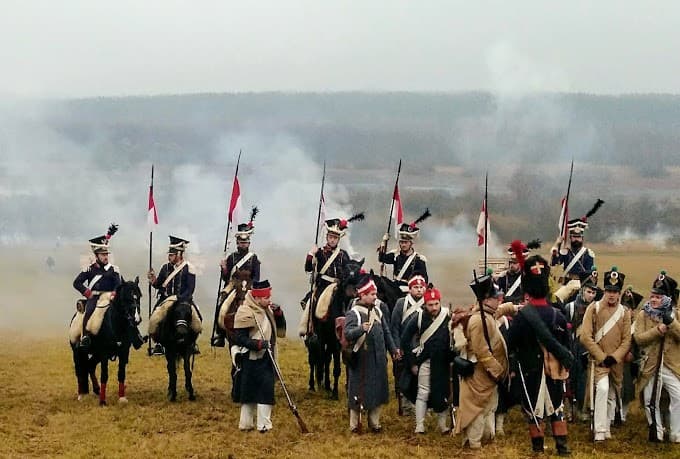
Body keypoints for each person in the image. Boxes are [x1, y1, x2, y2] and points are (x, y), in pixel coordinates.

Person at [506, 253, 574, 456]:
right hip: (554, 368)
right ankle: (562, 448)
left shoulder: (521, 317)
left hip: (529, 369)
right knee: (557, 408)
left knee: (533, 411)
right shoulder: (558, 316)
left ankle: (537, 449)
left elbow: (512, 344)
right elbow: (566, 344)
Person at [454, 275, 508, 449]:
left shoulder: (487, 314)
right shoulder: (478, 320)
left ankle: (484, 439)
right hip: (481, 371)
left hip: (488, 374)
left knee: (488, 407)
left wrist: (513, 307)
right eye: (495, 297)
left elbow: (499, 311)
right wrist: (496, 369)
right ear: (485, 300)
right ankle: (473, 444)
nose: (498, 299)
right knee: (477, 408)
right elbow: (481, 350)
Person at [579, 267, 632, 441]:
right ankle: (599, 431)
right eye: (609, 290)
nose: (612, 295)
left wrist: (615, 357)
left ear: (619, 293)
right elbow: (585, 337)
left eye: (615, 292)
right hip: (598, 361)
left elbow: (626, 340)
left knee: (612, 394)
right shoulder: (593, 309)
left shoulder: (625, 312)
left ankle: (607, 426)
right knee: (601, 389)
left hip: (616, 362)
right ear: (604, 290)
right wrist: (602, 357)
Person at [343, 276, 398, 433]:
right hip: (361, 360)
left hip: (378, 359)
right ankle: (354, 425)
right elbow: (347, 333)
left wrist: (393, 349)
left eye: (375, 294)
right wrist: (361, 329)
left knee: (377, 391)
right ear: (363, 295)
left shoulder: (378, 311)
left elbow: (386, 332)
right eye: (372, 294)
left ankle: (374, 423)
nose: (375, 297)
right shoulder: (354, 313)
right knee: (357, 392)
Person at [633, 271, 680, 443]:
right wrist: (657, 330)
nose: (653, 300)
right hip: (650, 365)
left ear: (667, 298)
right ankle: (657, 431)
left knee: (678, 397)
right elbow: (638, 338)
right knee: (648, 400)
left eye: (658, 297)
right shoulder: (643, 314)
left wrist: (671, 323)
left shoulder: (677, 314)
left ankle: (676, 433)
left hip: (671, 365)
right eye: (652, 296)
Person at [400, 285, 452, 434]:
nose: (434, 307)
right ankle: (420, 425)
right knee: (422, 393)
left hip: (442, 361)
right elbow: (404, 340)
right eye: (430, 305)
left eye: (436, 304)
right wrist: (411, 363)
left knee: (443, 393)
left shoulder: (447, 315)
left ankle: (443, 426)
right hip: (425, 361)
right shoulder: (419, 317)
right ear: (425, 304)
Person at [232, 280, 278, 433]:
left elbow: (277, 330)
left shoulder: (268, 310)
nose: (269, 299)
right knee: (249, 391)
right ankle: (246, 423)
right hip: (250, 359)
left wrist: (278, 314)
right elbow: (239, 338)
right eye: (266, 297)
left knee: (266, 390)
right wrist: (257, 344)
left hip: (266, 358)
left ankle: (264, 425)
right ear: (257, 298)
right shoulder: (245, 311)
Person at [212, 208, 262, 347]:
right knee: (221, 304)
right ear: (237, 243)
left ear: (249, 243)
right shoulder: (231, 257)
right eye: (241, 242)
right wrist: (224, 269)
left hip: (249, 287)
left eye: (245, 243)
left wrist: (252, 289)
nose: (243, 244)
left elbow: (257, 277)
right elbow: (225, 278)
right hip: (233, 285)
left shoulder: (254, 258)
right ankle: (220, 334)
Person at [148, 236, 200, 355]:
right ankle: (158, 343)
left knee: (197, 320)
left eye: (172, 254)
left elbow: (190, 289)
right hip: (165, 300)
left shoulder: (189, 267)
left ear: (179, 254)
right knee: (154, 319)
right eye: (169, 254)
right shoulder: (165, 267)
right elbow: (159, 284)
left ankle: (192, 342)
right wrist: (153, 280)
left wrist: (181, 299)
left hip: (184, 300)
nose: (169, 257)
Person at [73, 224, 123, 349]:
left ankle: (129, 337)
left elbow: (118, 284)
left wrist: (114, 293)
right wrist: (87, 293)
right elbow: (77, 283)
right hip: (94, 298)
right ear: (96, 256)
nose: (105, 256)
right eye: (102, 254)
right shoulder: (89, 269)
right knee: (88, 312)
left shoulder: (113, 270)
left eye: (106, 254)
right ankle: (85, 336)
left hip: (110, 298)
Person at [564, 268, 600, 422]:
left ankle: (582, 409)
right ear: (582, 290)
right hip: (572, 347)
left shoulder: (597, 309)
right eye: (588, 292)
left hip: (586, 349)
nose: (591, 296)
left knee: (584, 380)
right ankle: (568, 410)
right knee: (569, 380)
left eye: (593, 293)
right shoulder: (570, 307)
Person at [390, 273, 426, 415]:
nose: (418, 290)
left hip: (422, 347)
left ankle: (422, 405)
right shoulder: (401, 303)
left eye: (421, 287)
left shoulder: (428, 303)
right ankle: (406, 406)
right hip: (406, 347)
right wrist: (397, 348)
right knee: (405, 377)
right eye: (415, 287)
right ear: (410, 289)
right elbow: (395, 327)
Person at [550, 200, 603, 284]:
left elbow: (589, 272)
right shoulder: (565, 252)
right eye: (574, 237)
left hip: (582, 283)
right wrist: (557, 244)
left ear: (582, 238)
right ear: (570, 238)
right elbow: (554, 263)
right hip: (567, 283)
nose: (576, 239)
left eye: (578, 237)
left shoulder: (588, 253)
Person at [378, 210, 430, 295]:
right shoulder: (395, 255)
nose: (403, 245)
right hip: (395, 288)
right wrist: (383, 242)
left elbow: (424, 280)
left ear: (411, 243)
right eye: (401, 242)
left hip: (410, 290)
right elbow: (381, 258)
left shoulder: (419, 259)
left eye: (406, 242)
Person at [495, 239, 540, 304]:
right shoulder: (503, 276)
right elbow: (497, 291)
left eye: (515, 262)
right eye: (511, 262)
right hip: (507, 306)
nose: (512, 265)